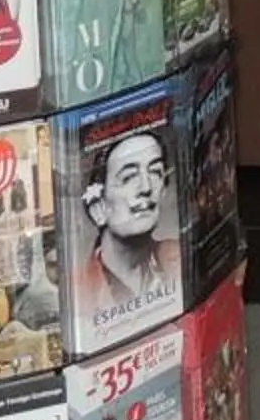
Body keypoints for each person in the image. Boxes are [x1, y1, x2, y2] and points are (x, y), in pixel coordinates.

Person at [72, 126, 181, 330]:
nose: (146, 187)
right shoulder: (77, 291)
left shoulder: (179, 257)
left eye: (155, 172)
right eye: (129, 177)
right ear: (98, 207)